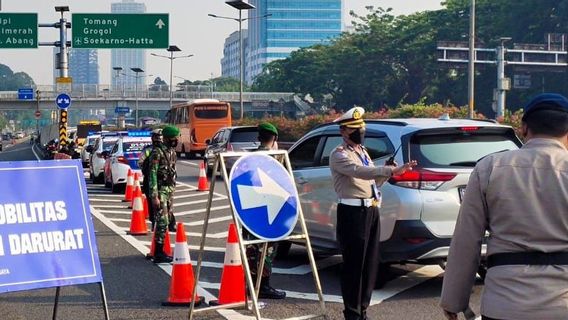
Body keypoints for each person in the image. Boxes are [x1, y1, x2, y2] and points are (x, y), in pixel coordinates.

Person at [440, 93, 568, 320]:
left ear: (524, 128)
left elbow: (466, 240)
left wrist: (453, 299)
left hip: (505, 303)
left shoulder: (490, 167)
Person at [329, 107, 417, 320]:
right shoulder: (339, 154)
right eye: (354, 129)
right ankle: (352, 312)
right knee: (353, 264)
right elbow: (359, 172)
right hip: (352, 213)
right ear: (344, 132)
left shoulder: (362, 152)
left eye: (361, 128)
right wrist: (390, 170)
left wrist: (387, 172)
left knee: (369, 263)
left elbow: (371, 182)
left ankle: (363, 309)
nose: (360, 132)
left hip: (370, 209)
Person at [242, 122, 286, 299]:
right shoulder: (276, 159)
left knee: (252, 248)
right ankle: (264, 286)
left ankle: (251, 285)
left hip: (250, 209)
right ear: (274, 138)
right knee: (267, 249)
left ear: (259, 138)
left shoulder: (248, 158)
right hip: (269, 209)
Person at [148, 125, 180, 264]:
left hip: (169, 189)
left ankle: (160, 252)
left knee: (166, 221)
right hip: (160, 191)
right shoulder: (157, 152)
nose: (176, 140)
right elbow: (153, 173)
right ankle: (158, 253)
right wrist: (154, 195)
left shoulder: (172, 152)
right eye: (174, 138)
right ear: (167, 138)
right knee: (161, 221)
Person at [139, 128, 176, 232]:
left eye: (159, 136)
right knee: (154, 206)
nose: (158, 139)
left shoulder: (171, 151)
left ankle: (170, 223)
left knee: (167, 207)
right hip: (152, 182)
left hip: (167, 184)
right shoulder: (150, 150)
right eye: (156, 137)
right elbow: (143, 164)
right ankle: (156, 225)